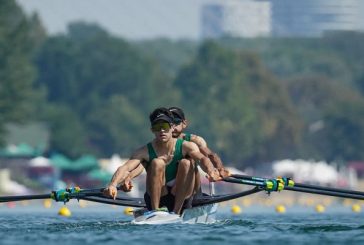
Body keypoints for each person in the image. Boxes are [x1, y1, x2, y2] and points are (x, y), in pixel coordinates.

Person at [103, 107, 220, 215]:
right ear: (152, 130)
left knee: (186, 163)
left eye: (165, 126)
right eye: (157, 127)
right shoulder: (144, 151)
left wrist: (211, 171)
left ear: (172, 127)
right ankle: (155, 211)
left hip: (182, 197)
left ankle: (176, 212)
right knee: (157, 162)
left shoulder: (187, 146)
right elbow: (125, 168)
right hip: (159, 197)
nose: (162, 131)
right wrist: (113, 185)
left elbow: (203, 159)